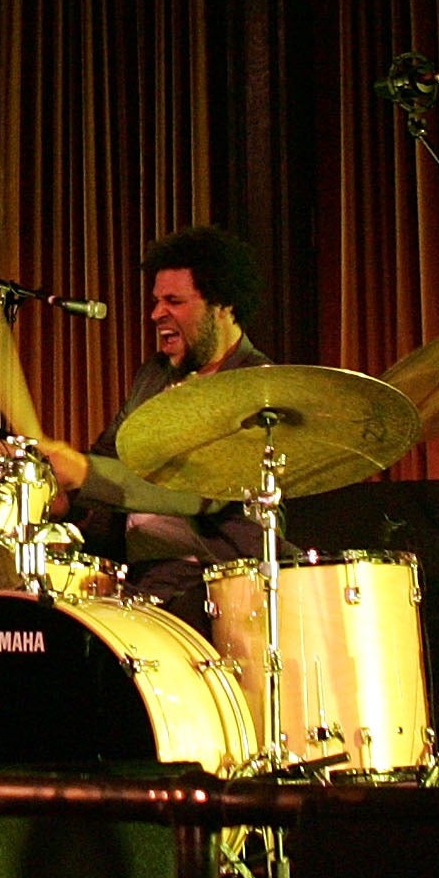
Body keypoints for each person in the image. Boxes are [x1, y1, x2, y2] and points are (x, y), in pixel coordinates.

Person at [38, 224, 272, 631]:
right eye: (156, 301)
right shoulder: (153, 376)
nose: (156, 313)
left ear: (223, 307)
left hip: (215, 585)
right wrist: (64, 498)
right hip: (138, 580)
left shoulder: (259, 388)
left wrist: (86, 474)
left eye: (174, 301)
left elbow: (204, 491)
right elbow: (108, 458)